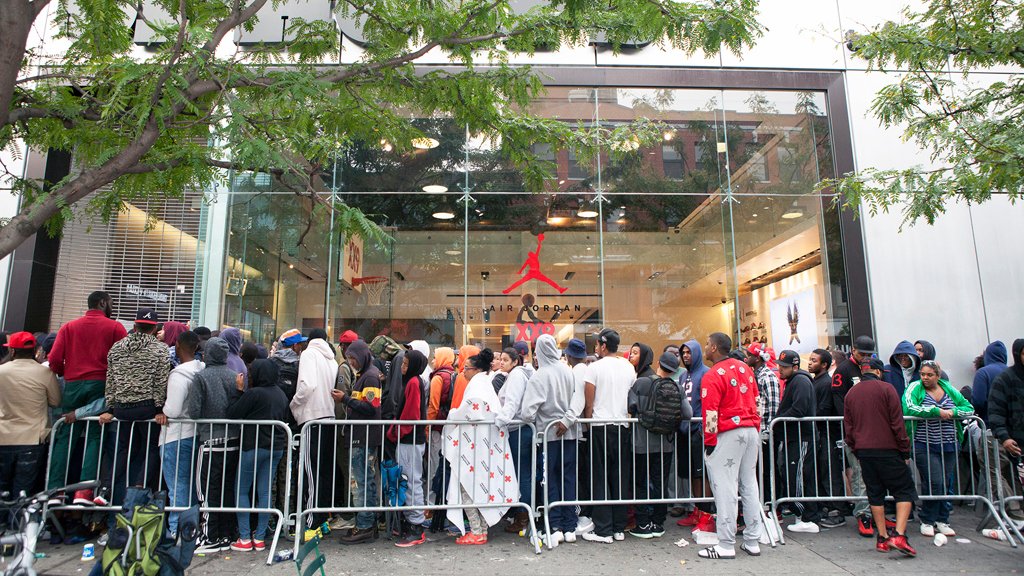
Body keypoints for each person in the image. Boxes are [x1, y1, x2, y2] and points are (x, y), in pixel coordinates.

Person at [47, 291, 127, 503]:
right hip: (101, 383)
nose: (112, 306)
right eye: (110, 302)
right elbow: (124, 359)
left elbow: (54, 359)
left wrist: (66, 372)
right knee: (94, 436)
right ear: (102, 303)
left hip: (73, 384)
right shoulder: (115, 327)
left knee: (65, 435)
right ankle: (84, 491)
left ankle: (55, 490)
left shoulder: (69, 327)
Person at [695, 332, 764, 560]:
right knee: (749, 485)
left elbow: (710, 412)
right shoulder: (746, 369)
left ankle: (725, 544)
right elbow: (757, 400)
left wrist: (709, 441)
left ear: (714, 348)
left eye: (707, 344)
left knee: (724, 487)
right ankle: (752, 540)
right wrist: (756, 425)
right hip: (751, 429)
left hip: (728, 433)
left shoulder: (713, 375)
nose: (705, 347)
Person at [843, 357, 917, 557]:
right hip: (888, 448)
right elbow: (897, 423)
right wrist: (904, 450)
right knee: (904, 490)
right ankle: (899, 535)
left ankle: (882, 537)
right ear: (877, 372)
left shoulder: (851, 393)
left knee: (875, 493)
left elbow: (849, 428)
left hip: (864, 450)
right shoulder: (887, 389)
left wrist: (856, 449)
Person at [99, 308, 170, 510]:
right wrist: (159, 409)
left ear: (135, 325)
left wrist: (111, 408)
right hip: (147, 408)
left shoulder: (117, 348)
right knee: (151, 448)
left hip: (121, 408)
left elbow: (110, 380)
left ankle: (105, 488)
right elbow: (160, 381)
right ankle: (138, 488)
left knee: (123, 450)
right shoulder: (160, 349)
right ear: (154, 328)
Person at [520, 334, 585, 546]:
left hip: (548, 435)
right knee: (569, 478)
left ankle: (554, 525)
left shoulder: (539, 376)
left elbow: (527, 412)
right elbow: (579, 398)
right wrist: (567, 420)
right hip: (570, 433)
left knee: (550, 479)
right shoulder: (568, 371)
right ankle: (570, 526)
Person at [901, 360, 974, 538]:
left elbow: (968, 408)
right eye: (922, 374)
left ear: (938, 375)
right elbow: (909, 407)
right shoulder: (914, 388)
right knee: (935, 481)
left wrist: (953, 413)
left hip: (949, 443)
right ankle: (927, 519)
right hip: (923, 443)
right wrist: (935, 411)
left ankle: (942, 519)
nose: (925, 378)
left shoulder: (949, 389)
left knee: (946, 482)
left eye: (929, 375)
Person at [227, 359, 289, 552]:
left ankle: (245, 537)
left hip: (253, 445)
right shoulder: (280, 394)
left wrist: (238, 391)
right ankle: (260, 537)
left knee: (242, 489)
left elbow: (233, 413)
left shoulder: (254, 393)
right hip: (275, 447)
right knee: (264, 491)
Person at [187, 337, 243, 553]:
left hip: (210, 439)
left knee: (207, 488)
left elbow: (194, 411)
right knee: (227, 488)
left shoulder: (201, 377)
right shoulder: (234, 376)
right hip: (233, 439)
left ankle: (210, 536)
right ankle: (227, 533)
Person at [775, 350, 839, 532]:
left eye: (784, 366)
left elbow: (799, 409)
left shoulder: (801, 381)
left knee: (798, 476)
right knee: (800, 476)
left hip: (801, 437)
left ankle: (806, 516)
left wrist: (777, 422)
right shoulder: (796, 381)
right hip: (796, 437)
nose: (780, 369)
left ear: (795, 367)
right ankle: (807, 515)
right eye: (780, 365)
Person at [582, 328, 635, 544]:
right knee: (619, 476)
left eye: (597, 344)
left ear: (603, 346)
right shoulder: (628, 367)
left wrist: (587, 424)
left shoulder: (594, 368)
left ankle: (603, 529)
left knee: (600, 477)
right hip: (622, 425)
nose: (596, 347)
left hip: (599, 425)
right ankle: (618, 527)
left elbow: (589, 403)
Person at [627, 351, 688, 540]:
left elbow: (630, 406)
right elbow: (688, 413)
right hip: (665, 444)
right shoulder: (677, 388)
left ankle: (643, 523)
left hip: (641, 442)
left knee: (640, 482)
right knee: (660, 482)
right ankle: (658, 522)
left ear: (659, 363)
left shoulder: (641, 383)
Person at [0, 332, 61, 503]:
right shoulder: (45, 373)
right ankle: (18, 519)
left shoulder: (1, 371)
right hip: (33, 437)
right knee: (23, 491)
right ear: (35, 350)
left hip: (3, 435)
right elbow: (55, 401)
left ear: (12, 351)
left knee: (2, 487)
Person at [335, 339, 383, 545]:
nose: (351, 362)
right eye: (349, 358)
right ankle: (368, 523)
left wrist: (344, 399)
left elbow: (371, 408)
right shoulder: (365, 375)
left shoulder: (370, 377)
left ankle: (364, 526)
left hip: (363, 437)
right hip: (362, 436)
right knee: (365, 481)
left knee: (361, 483)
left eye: (353, 358)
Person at [291, 334, 338, 541]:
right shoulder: (331, 359)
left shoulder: (309, 354)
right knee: (324, 472)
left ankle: (311, 523)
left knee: (310, 472)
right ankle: (322, 520)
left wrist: (294, 404)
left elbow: (307, 386)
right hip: (329, 417)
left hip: (312, 418)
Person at [160, 330, 203, 538]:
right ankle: (190, 529)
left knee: (177, 486)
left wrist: (161, 411)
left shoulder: (178, 375)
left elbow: (173, 410)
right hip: (194, 433)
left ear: (177, 346)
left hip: (176, 436)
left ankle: (177, 531)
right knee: (189, 486)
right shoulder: (200, 369)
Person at [832, 335, 874, 536]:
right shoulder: (844, 370)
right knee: (858, 474)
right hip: (854, 430)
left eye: (868, 354)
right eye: (862, 353)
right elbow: (838, 400)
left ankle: (876, 511)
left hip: (873, 429)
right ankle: (863, 513)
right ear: (853, 350)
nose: (865, 357)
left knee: (874, 473)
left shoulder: (871, 368)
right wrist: (850, 426)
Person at [389, 350, 430, 547]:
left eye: (406, 364)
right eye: (403, 363)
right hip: (408, 438)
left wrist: (396, 432)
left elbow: (411, 414)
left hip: (409, 439)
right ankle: (411, 522)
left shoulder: (413, 382)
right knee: (408, 480)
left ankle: (416, 526)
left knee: (411, 481)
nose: (402, 367)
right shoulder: (414, 381)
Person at [494, 347, 535, 534]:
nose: (501, 362)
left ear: (515, 361)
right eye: (500, 359)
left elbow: (512, 403)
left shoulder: (517, 376)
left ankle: (523, 517)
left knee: (522, 474)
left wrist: (499, 422)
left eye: (505, 359)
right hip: (517, 429)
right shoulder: (514, 375)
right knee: (520, 473)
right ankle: (520, 514)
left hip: (518, 430)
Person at [676, 339, 715, 534]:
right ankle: (696, 510)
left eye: (689, 352)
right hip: (685, 431)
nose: (685, 356)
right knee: (691, 472)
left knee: (702, 473)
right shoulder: (683, 376)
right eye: (683, 353)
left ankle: (706, 513)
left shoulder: (706, 373)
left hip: (699, 430)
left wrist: (705, 429)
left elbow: (710, 402)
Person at [808, 348, 847, 521]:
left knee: (829, 472)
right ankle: (827, 506)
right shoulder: (816, 381)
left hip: (826, 434)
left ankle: (836, 509)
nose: (810, 363)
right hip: (819, 434)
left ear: (824, 364)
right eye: (810, 359)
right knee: (822, 471)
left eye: (814, 360)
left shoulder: (825, 383)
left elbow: (824, 408)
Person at [988, 338, 1024, 521]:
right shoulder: (1005, 379)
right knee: (1013, 480)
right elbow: (995, 411)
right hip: (1014, 442)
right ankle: (1017, 517)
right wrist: (1004, 437)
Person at [426, 347, 456, 512]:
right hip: (448, 426)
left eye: (435, 357)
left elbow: (433, 406)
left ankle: (432, 503)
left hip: (437, 426)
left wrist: (427, 427)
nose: (433, 361)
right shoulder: (454, 375)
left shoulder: (438, 378)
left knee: (434, 464)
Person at [972, 341, 1008, 424]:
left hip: (991, 423)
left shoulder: (983, 373)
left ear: (987, 356)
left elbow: (978, 402)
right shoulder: (1014, 372)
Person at [449, 344, 481, 410]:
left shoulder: (463, 376)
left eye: (460, 356)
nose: (458, 359)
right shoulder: (480, 375)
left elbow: (457, 403)